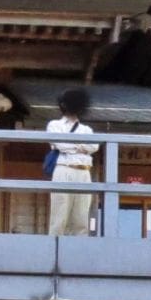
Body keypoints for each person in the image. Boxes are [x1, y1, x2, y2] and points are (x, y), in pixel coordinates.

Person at [47, 87, 98, 237]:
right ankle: (53, 251)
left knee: (81, 216)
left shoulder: (87, 129)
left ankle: (78, 251)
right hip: (63, 168)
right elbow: (60, 145)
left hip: (84, 171)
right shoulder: (54, 125)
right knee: (59, 214)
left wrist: (72, 145)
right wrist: (81, 146)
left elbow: (93, 146)